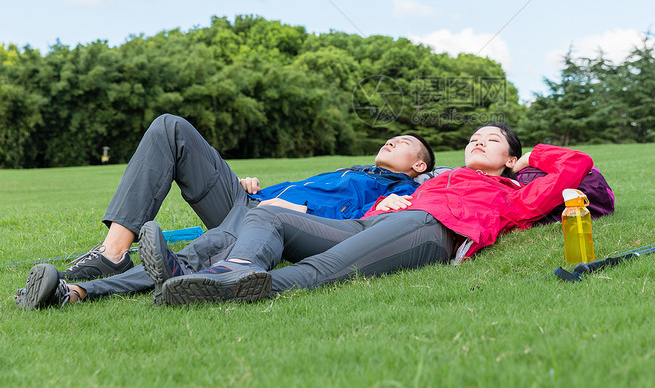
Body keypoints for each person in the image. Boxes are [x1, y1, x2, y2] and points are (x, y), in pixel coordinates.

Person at [16, 114, 435, 309]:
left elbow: (367, 231)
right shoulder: (350, 170)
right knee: (170, 128)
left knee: (205, 249)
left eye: (404, 143)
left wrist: (398, 200)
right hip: (247, 203)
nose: (392, 142)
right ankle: (111, 252)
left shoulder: (404, 191)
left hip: (273, 227)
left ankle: (74, 292)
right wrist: (255, 188)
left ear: (420, 165)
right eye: (391, 138)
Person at [156, 123, 593, 305]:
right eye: (474, 137)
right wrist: (387, 202)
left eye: (492, 140)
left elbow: (578, 163)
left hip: (431, 231)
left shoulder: (517, 192)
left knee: (323, 269)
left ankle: (231, 286)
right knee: (268, 217)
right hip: (380, 220)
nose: (478, 141)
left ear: (510, 157)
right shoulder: (436, 178)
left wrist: (532, 157)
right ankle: (233, 269)